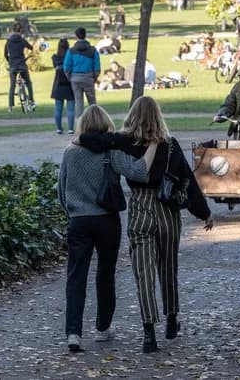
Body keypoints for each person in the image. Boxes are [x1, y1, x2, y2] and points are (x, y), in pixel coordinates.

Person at [79, 96, 213, 353]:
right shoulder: (169, 144)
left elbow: (89, 139)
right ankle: (172, 317)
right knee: (167, 267)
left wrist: (80, 139)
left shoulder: (124, 141)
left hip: (140, 209)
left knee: (143, 273)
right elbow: (188, 179)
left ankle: (148, 331)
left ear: (132, 115)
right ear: (158, 116)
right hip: (167, 212)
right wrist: (203, 212)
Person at [58, 105, 159, 353]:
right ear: (106, 126)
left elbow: (60, 190)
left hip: (79, 220)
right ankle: (103, 328)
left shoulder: (70, 153)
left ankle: (73, 332)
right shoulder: (111, 152)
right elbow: (139, 171)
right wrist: (154, 146)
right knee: (105, 274)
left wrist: (73, 210)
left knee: (76, 276)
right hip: (106, 220)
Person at [64, 27, 101, 120]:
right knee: (92, 103)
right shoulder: (93, 50)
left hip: (75, 78)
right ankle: (95, 123)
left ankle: (80, 124)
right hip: (88, 78)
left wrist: (70, 77)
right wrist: (94, 77)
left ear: (76, 36)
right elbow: (97, 67)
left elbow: (66, 67)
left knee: (79, 103)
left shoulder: (71, 51)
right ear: (85, 35)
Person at [4, 23, 35, 113]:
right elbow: (31, 47)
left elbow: (5, 54)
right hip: (22, 64)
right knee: (28, 82)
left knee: (12, 86)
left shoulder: (8, 41)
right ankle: (31, 100)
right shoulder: (22, 40)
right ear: (20, 30)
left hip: (13, 65)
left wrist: (10, 60)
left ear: (13, 30)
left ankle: (10, 106)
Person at [52, 39, 76, 134]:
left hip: (58, 84)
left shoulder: (55, 58)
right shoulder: (71, 57)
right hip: (69, 84)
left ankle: (58, 128)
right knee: (70, 108)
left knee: (58, 108)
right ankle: (70, 128)